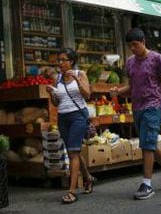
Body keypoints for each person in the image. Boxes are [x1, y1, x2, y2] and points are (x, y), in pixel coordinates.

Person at [111, 28, 161, 200]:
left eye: (135, 45)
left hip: (153, 106)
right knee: (147, 142)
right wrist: (119, 91)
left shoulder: (157, 58)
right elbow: (132, 87)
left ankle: (147, 184)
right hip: (137, 107)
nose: (133, 49)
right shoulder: (130, 62)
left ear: (143, 42)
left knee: (146, 144)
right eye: (130, 46)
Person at [46, 47, 96, 204]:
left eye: (63, 60)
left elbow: (87, 94)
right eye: (58, 60)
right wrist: (51, 93)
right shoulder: (58, 78)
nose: (60, 63)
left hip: (78, 117)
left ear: (71, 61)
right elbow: (56, 102)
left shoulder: (81, 74)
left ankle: (72, 191)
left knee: (73, 153)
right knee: (73, 150)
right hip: (63, 118)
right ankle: (88, 178)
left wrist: (77, 80)